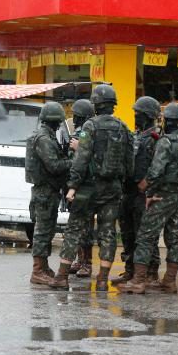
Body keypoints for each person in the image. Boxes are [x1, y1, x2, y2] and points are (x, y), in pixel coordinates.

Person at [49, 84, 133, 291]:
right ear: (113, 105)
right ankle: (103, 279)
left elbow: (81, 158)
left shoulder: (90, 127)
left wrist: (72, 186)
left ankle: (61, 277)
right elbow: (129, 161)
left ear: (95, 104)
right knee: (107, 233)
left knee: (74, 230)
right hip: (112, 189)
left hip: (87, 189)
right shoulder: (123, 127)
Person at [118, 103, 178, 294]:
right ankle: (169, 282)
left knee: (145, 236)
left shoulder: (166, 142)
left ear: (168, 120)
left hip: (163, 195)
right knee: (174, 239)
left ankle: (138, 281)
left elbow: (156, 170)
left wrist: (144, 189)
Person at [111, 96, 162, 285]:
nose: (135, 116)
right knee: (127, 232)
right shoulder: (137, 135)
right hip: (128, 191)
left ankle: (151, 272)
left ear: (148, 116)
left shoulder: (157, 138)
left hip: (144, 194)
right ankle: (130, 269)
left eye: (138, 113)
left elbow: (159, 166)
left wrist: (148, 184)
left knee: (146, 234)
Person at [25, 102, 72, 285]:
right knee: (42, 232)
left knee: (47, 230)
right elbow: (54, 166)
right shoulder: (44, 139)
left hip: (47, 191)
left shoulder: (46, 136)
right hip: (44, 191)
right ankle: (37, 271)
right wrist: (72, 160)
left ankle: (43, 267)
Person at [67, 99, 96, 278]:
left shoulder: (89, 132)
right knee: (77, 225)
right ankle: (79, 260)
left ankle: (87, 263)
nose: (74, 118)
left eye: (76, 115)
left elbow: (89, 159)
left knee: (86, 227)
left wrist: (79, 148)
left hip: (86, 185)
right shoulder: (78, 132)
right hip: (75, 184)